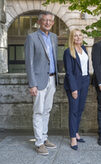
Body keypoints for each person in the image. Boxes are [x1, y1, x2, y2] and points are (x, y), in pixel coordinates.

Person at [25, 11, 58, 155]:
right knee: (38, 111)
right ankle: (38, 143)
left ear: (53, 23)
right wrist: (32, 84)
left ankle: (44, 138)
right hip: (38, 81)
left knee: (47, 110)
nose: (47, 23)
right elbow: (29, 63)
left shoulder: (54, 37)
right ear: (39, 22)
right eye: (45, 20)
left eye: (50, 20)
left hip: (52, 79)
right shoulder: (32, 38)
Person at [63, 29, 90, 150]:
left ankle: (76, 132)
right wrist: (74, 89)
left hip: (84, 82)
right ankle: (73, 137)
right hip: (74, 83)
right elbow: (69, 72)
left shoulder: (84, 49)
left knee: (80, 109)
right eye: (75, 36)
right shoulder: (68, 52)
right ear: (71, 38)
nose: (78, 38)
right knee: (74, 110)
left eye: (80, 35)